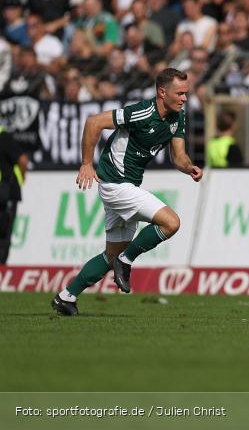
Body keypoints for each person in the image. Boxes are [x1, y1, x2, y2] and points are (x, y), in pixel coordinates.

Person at [52, 68, 203, 316]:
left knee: (110, 255)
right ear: (162, 92)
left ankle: (66, 297)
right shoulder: (143, 112)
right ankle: (127, 260)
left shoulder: (177, 117)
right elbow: (94, 122)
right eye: (180, 93)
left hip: (126, 187)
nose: (185, 98)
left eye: (186, 93)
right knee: (171, 223)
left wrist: (189, 168)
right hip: (115, 184)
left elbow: (178, 156)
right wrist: (87, 163)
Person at [0, 126, 27, 264]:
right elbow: (23, 160)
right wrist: (22, 178)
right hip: (6, 193)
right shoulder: (4, 137)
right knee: (4, 233)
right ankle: (2, 270)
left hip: (6, 194)